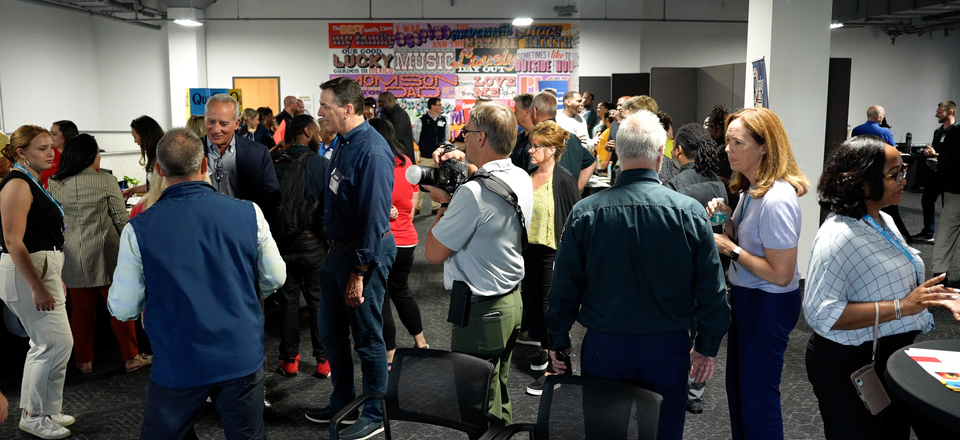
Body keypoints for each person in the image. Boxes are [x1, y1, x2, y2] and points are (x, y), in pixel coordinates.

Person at [546, 111, 730, 440]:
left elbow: (563, 290)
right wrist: (707, 347)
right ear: (661, 155)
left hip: (605, 346)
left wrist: (558, 344)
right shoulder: (690, 214)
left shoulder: (585, 213)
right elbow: (712, 292)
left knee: (603, 433)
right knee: (663, 433)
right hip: (668, 347)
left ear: (617, 153)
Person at [108, 127, 285, 440]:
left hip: (179, 358)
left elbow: (124, 306)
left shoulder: (139, 228)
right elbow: (275, 277)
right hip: (240, 352)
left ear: (159, 170)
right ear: (204, 166)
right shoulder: (249, 213)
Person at [804, 135, 960, 440]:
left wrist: (937, 297)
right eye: (894, 174)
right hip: (850, 363)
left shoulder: (883, 219)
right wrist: (905, 306)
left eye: (902, 172)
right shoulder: (837, 237)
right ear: (859, 180)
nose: (903, 180)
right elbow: (822, 313)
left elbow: (894, 284)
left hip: (886, 355)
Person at [424, 102, 533, 425]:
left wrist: (444, 203)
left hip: (481, 312)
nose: (463, 140)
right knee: (497, 389)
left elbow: (433, 252)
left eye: (467, 133)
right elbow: (489, 183)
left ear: (482, 138)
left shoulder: (471, 195)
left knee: (476, 403)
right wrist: (466, 167)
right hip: (510, 302)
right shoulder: (520, 176)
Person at [706, 107, 809, 440]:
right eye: (727, 141)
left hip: (768, 304)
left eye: (736, 142)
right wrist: (729, 219)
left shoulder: (777, 199)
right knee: (740, 390)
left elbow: (780, 274)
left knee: (758, 396)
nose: (727, 149)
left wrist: (729, 248)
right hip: (750, 298)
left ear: (764, 147)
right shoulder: (752, 190)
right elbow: (754, 240)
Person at [304, 77, 396, 440]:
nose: (320, 113)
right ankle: (342, 401)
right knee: (331, 333)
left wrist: (359, 271)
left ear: (349, 109)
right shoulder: (341, 142)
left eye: (325, 106)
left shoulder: (372, 150)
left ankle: (375, 413)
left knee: (367, 338)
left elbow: (374, 218)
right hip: (337, 253)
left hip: (363, 257)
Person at [47, 134, 149, 374]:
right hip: (107, 254)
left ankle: (84, 362)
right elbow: (121, 218)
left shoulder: (54, 183)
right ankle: (132, 357)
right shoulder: (105, 180)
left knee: (81, 313)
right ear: (90, 156)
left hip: (72, 256)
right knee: (119, 308)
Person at [0, 125, 74, 439]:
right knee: (54, 344)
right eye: (41, 148)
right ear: (21, 152)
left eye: (51, 146)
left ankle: (44, 408)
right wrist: (37, 286)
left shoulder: (30, 181)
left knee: (45, 344)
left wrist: (52, 278)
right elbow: (13, 241)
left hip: (41, 268)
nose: (50, 153)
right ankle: (34, 415)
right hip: (28, 271)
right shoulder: (17, 184)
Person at [664, 123, 727, 415]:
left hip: (683, 270)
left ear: (678, 150)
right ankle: (695, 391)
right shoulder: (719, 183)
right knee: (706, 327)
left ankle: (679, 387)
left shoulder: (675, 186)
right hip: (713, 266)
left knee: (684, 331)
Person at [518, 120, 580, 396]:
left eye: (536, 147)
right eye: (531, 146)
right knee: (533, 308)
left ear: (552, 150)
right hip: (528, 252)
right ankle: (546, 351)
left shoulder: (564, 179)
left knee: (549, 310)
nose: (531, 151)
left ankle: (558, 369)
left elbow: (574, 221)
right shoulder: (528, 176)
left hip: (552, 253)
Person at [272, 115, 331, 379]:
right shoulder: (321, 164)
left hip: (282, 244)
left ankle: (289, 361)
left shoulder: (275, 163)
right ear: (308, 131)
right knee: (318, 300)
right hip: (313, 242)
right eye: (316, 131)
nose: (319, 135)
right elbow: (328, 206)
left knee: (288, 302)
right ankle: (323, 361)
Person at [368, 118, 429, 368]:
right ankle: (422, 343)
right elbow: (413, 203)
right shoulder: (406, 162)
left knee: (381, 299)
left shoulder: (377, 163)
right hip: (408, 240)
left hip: (386, 241)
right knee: (402, 292)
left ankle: (391, 355)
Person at [202, 93, 282, 228]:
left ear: (236, 123)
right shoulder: (192, 152)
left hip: (244, 229)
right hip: (203, 229)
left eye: (223, 123)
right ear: (205, 119)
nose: (216, 129)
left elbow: (272, 197)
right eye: (211, 121)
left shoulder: (257, 153)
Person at [531, 92, 597, 190]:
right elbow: (592, 163)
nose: (531, 150)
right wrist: (575, 191)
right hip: (570, 202)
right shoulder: (572, 137)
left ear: (534, 111)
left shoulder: (536, 139)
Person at [925, 101, 960, 275]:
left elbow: (945, 160)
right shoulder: (940, 132)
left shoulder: (955, 133)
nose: (936, 114)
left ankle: (939, 273)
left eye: (940, 111)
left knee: (947, 232)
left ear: (950, 112)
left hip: (954, 187)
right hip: (951, 185)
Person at [413, 97, 450, 214]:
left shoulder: (444, 120)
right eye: (439, 104)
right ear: (432, 106)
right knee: (423, 181)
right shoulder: (421, 120)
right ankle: (417, 206)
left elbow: (446, 136)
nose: (441, 107)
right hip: (426, 156)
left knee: (439, 181)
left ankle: (436, 206)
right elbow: (416, 137)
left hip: (440, 158)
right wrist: (424, 146)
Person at [123, 115, 164, 199]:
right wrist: (132, 190)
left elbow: (159, 189)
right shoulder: (153, 156)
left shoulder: (162, 157)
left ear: (145, 136)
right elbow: (152, 185)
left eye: (135, 137)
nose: (135, 141)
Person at [378, 92, 416, 162]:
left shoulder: (399, 114)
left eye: (381, 102)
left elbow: (396, 137)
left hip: (402, 158)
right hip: (398, 156)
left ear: (389, 100)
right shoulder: (388, 114)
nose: (379, 105)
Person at [40, 120, 78, 188]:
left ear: (66, 135)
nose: (49, 137)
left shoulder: (80, 155)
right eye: (50, 134)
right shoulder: (45, 153)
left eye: (54, 134)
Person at [511, 93, 535, 171]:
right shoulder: (520, 137)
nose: (514, 113)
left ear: (526, 112)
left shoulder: (537, 139)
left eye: (516, 110)